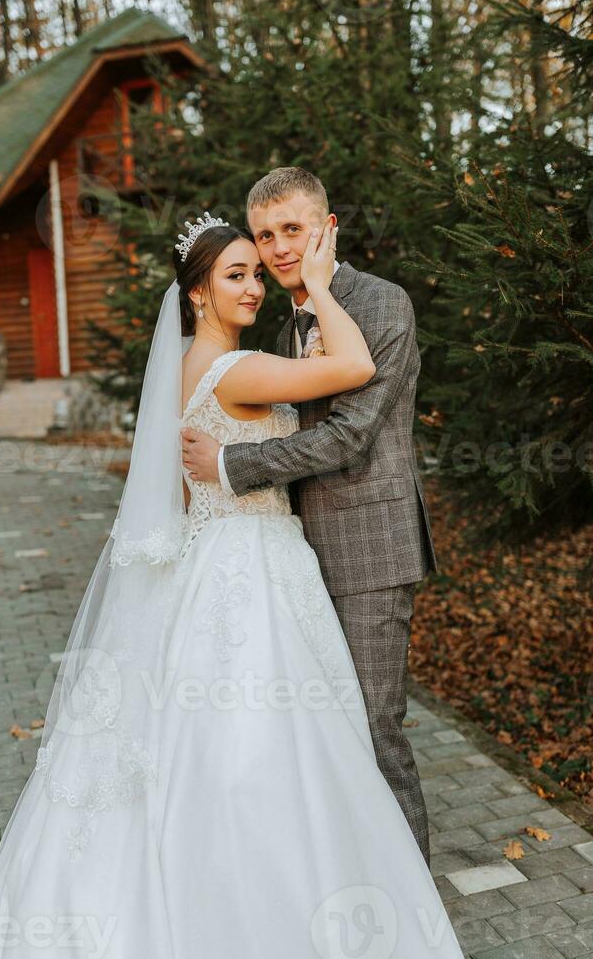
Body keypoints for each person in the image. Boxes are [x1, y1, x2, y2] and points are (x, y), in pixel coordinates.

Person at [0, 212, 463, 958]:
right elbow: (352, 368)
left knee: (248, 745)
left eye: (258, 273)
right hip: (254, 568)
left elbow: (187, 494)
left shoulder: (192, 367)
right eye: (236, 275)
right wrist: (315, 282)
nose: (255, 286)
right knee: (273, 747)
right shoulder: (233, 371)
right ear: (196, 295)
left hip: (225, 557)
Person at [181, 166, 438, 865]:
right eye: (265, 235)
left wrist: (232, 467)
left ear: (327, 228)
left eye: (292, 229)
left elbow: (350, 434)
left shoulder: (380, 306)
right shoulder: (280, 318)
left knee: (375, 729)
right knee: (321, 736)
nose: (277, 248)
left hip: (367, 549)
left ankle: (410, 901)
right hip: (293, 555)